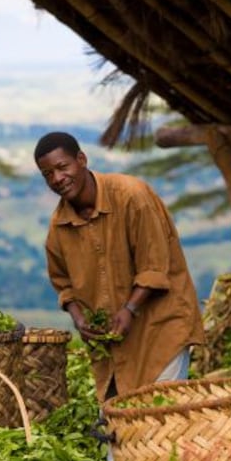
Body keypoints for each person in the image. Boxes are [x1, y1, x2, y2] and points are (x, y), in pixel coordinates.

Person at [34, 131, 204, 404]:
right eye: (47, 174)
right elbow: (63, 284)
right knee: (118, 433)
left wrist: (130, 308)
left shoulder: (131, 196)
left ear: (81, 159)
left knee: (160, 423)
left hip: (160, 330)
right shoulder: (59, 226)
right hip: (112, 346)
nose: (57, 179)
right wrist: (79, 319)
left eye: (62, 167)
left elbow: (154, 265)